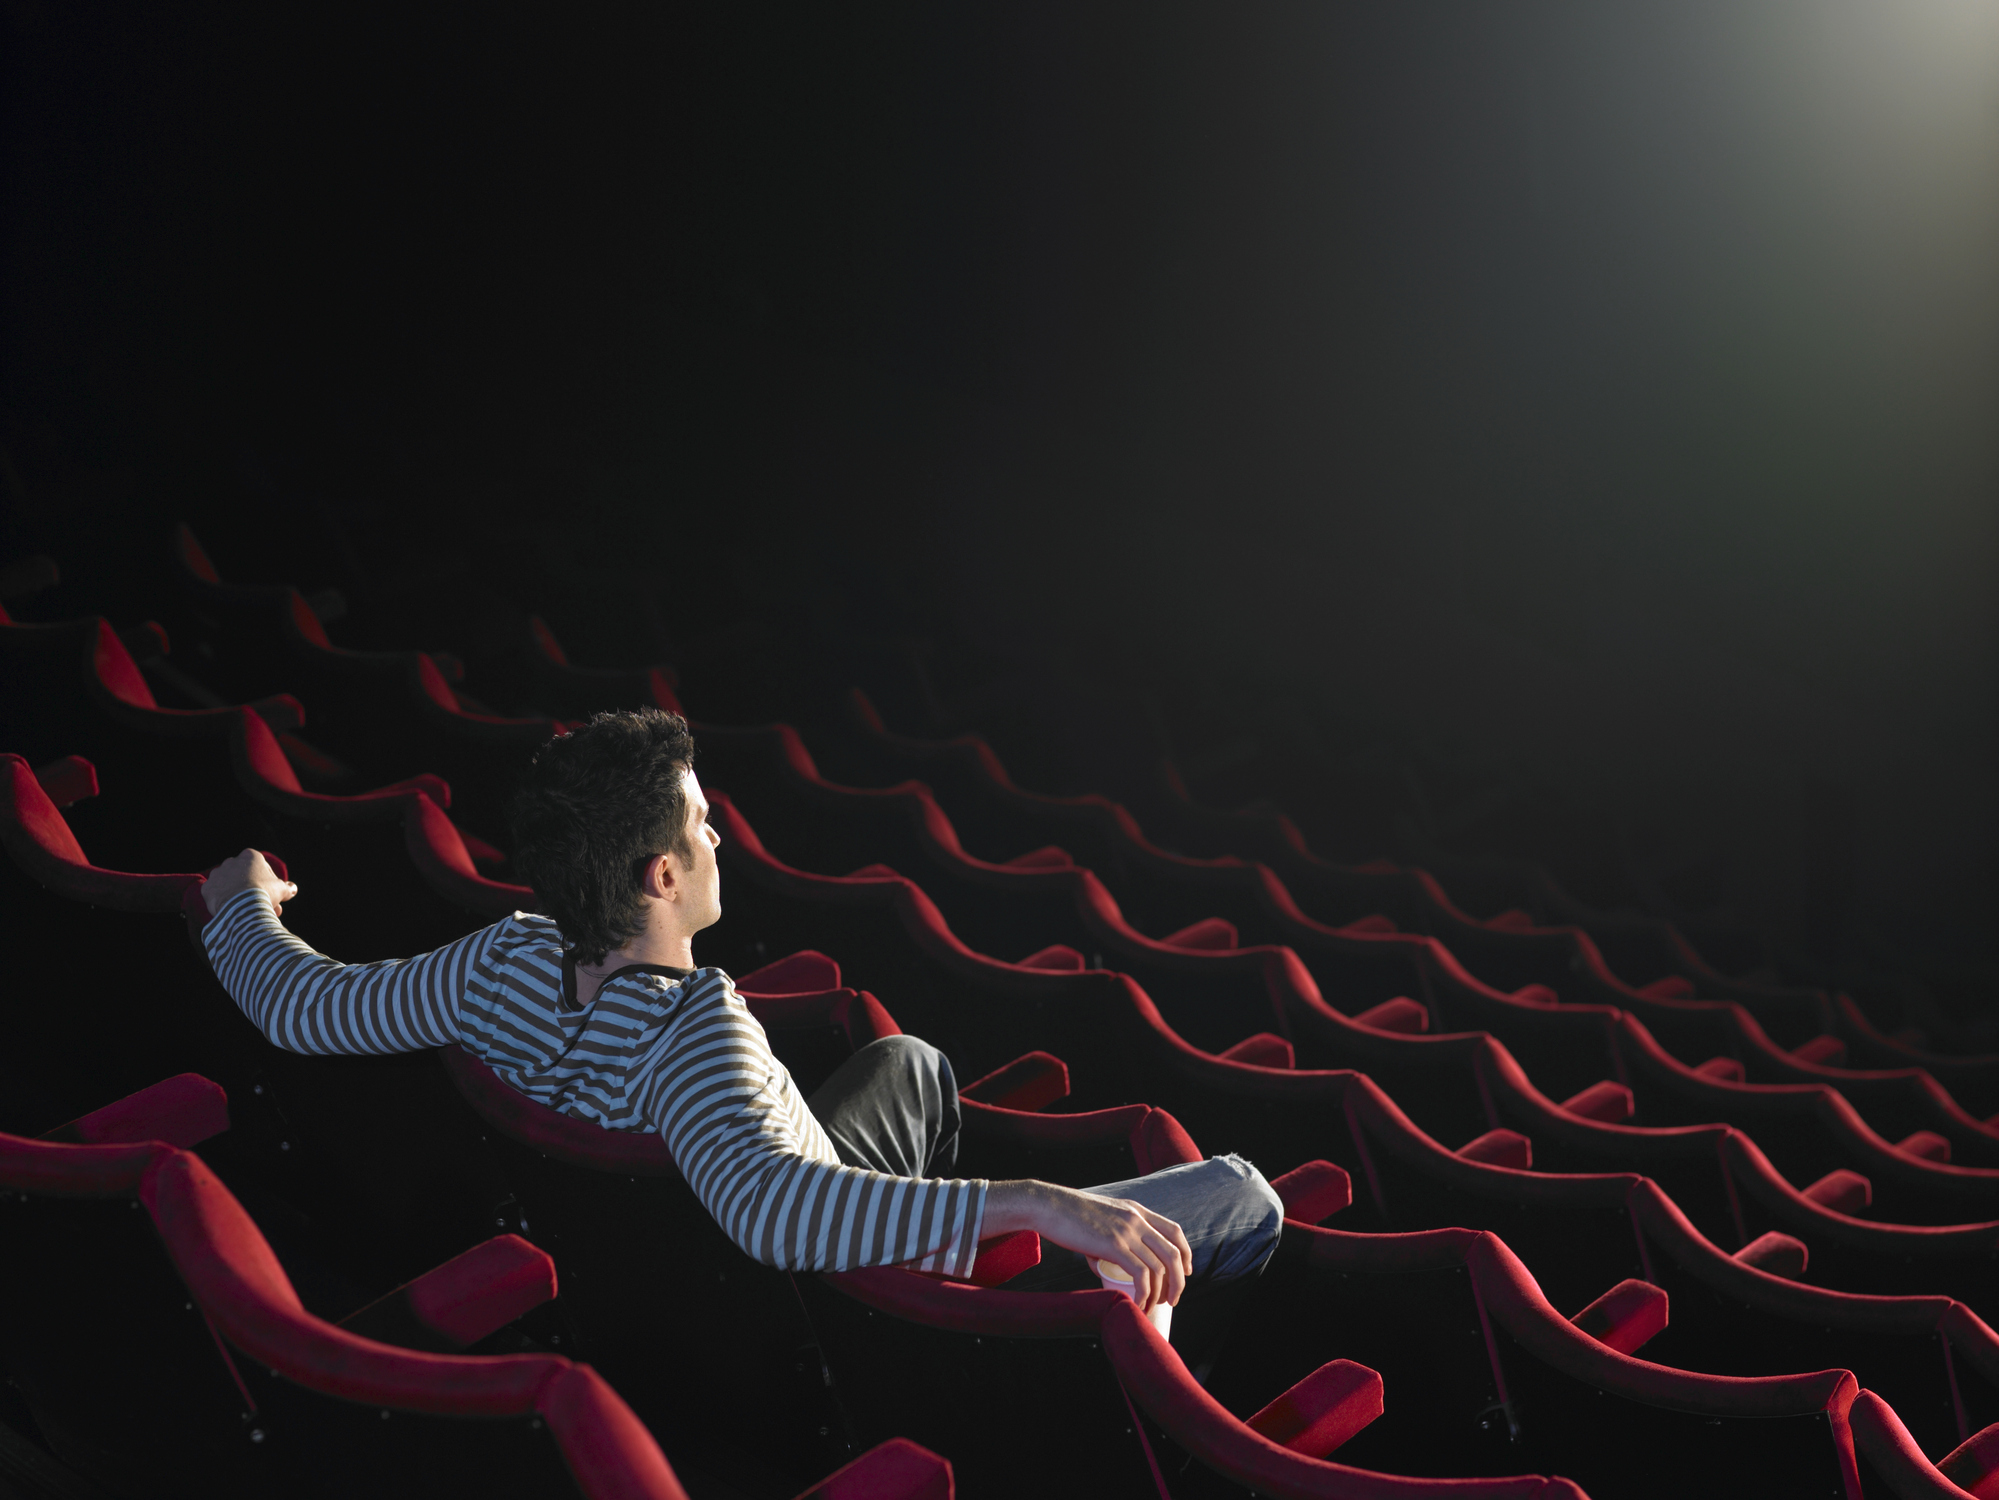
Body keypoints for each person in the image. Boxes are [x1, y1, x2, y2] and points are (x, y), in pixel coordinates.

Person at [200, 707, 1281, 1333]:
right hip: (827, 1300)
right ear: (662, 871)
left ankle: (980, 1220)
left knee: (909, 1063)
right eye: (706, 827)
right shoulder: (697, 1035)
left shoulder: (505, 959)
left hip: (639, 1259)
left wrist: (238, 901)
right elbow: (776, 1214)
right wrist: (1047, 1207)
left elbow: (301, 1005)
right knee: (1238, 1192)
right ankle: (1037, 1296)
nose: (722, 840)